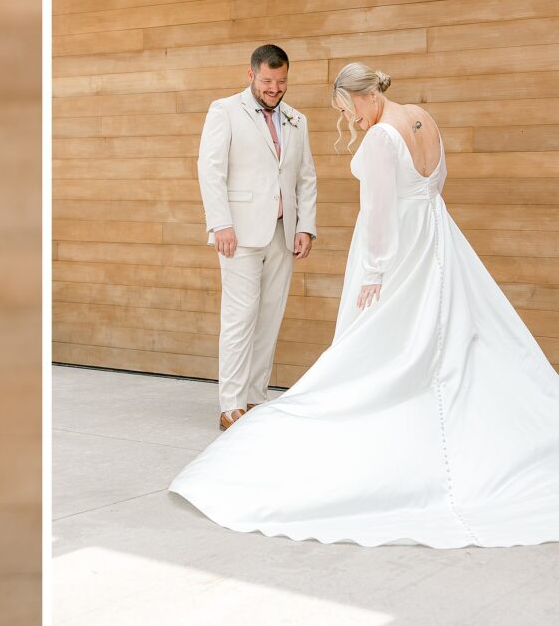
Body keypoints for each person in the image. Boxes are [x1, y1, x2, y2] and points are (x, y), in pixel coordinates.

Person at [170, 62, 559, 548]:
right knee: (443, 326)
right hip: (435, 239)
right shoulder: (422, 117)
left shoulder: (379, 138)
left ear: (366, 96)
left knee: (381, 335)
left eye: (348, 108)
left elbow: (377, 209)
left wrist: (374, 272)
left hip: (394, 247)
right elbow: (435, 184)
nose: (350, 120)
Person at [197, 44, 317, 431]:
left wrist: (304, 226)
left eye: (281, 81)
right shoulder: (225, 111)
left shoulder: (298, 120)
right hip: (240, 234)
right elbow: (210, 169)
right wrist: (220, 224)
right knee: (239, 317)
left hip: (283, 234)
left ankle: (255, 397)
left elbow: (305, 178)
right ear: (251, 75)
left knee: (269, 318)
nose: (274, 87)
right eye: (267, 80)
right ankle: (230, 403)